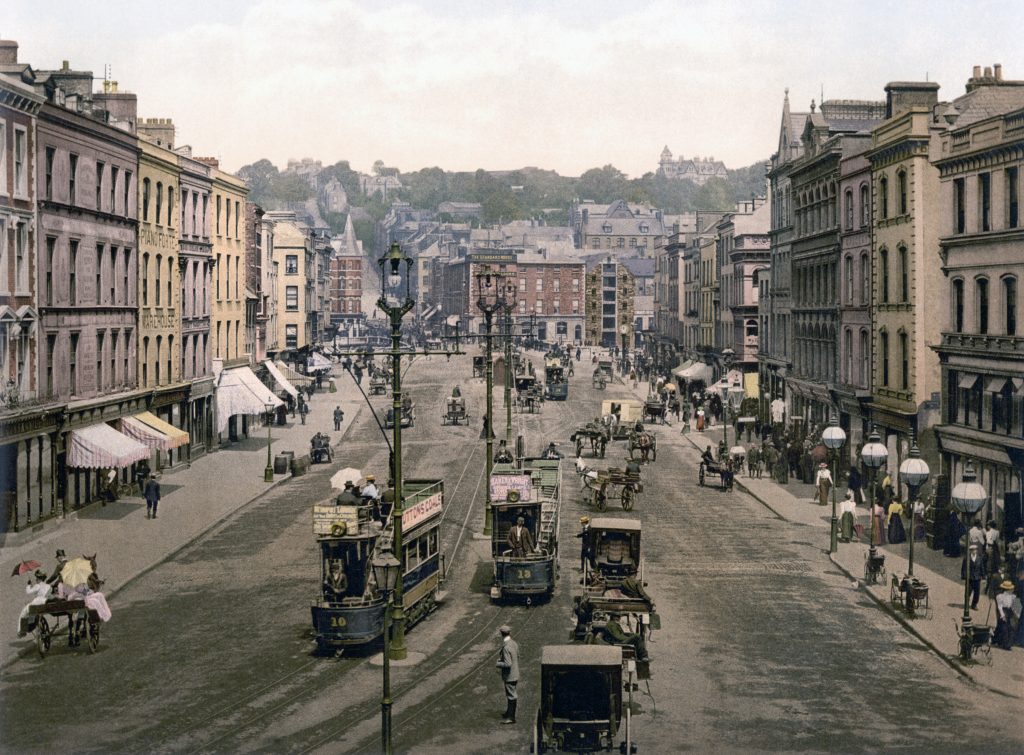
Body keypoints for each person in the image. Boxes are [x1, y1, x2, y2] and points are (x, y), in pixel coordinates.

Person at [496, 625, 520, 724]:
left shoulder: (506, 647)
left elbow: (507, 663)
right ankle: (508, 712)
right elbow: (517, 656)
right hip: (515, 673)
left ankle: (511, 717)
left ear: (502, 634)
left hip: (509, 675)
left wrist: (498, 663)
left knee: (511, 695)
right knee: (510, 694)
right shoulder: (514, 643)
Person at [18, 570, 51, 637]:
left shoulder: (37, 586)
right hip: (44, 603)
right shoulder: (48, 586)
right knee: (31, 612)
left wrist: (29, 584)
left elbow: (28, 592)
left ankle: (21, 631)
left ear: (39, 579)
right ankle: (32, 624)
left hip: (37, 603)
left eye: (36, 578)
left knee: (23, 613)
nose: (36, 579)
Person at [993, 580, 1020, 650]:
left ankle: (1008, 644)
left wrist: (1016, 614)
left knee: (1011, 627)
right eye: (1010, 589)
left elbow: (1015, 606)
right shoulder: (1000, 596)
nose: (1012, 590)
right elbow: (999, 607)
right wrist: (1002, 615)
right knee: (1003, 628)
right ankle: (1003, 643)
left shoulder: (1013, 596)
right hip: (1003, 611)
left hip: (1009, 611)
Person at [962, 544, 985, 610]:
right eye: (972, 550)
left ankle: (974, 604)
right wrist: (964, 576)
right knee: (968, 592)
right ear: (970, 551)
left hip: (977, 578)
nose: (974, 551)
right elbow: (963, 568)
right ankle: (966, 604)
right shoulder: (967, 558)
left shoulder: (979, 558)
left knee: (977, 593)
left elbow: (982, 567)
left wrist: (983, 576)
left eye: (975, 550)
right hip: (970, 578)